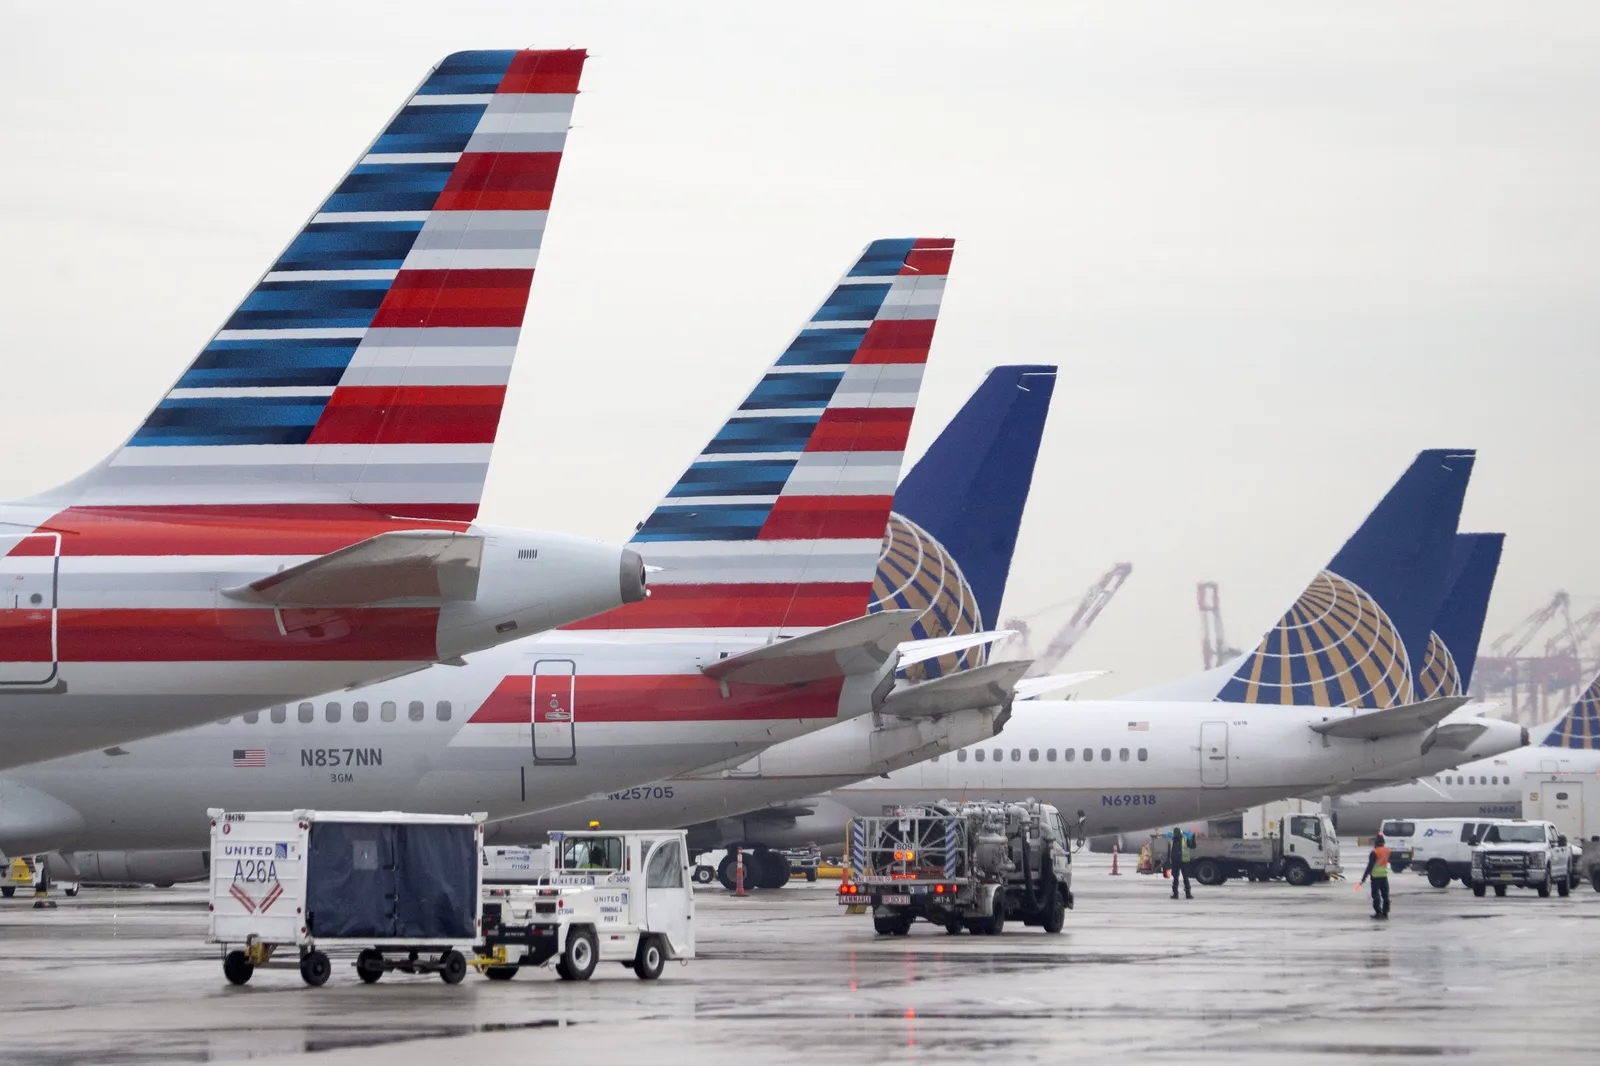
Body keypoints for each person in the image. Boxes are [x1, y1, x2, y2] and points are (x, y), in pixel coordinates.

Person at [1359, 832, 1391, 919]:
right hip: (1384, 876)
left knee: (1376, 895)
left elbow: (1370, 867)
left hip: (1375, 877)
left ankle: (1378, 912)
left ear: (1376, 843)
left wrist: (1363, 878)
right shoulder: (1387, 851)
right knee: (1385, 895)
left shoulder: (1374, 852)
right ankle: (1385, 912)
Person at [1168, 826, 1192, 900]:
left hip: (1179, 861)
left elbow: (1169, 853)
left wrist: (1169, 861)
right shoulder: (1175, 841)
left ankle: (1176, 894)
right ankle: (1187, 894)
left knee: (1177, 879)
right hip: (1181, 862)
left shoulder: (1174, 841)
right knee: (1184, 878)